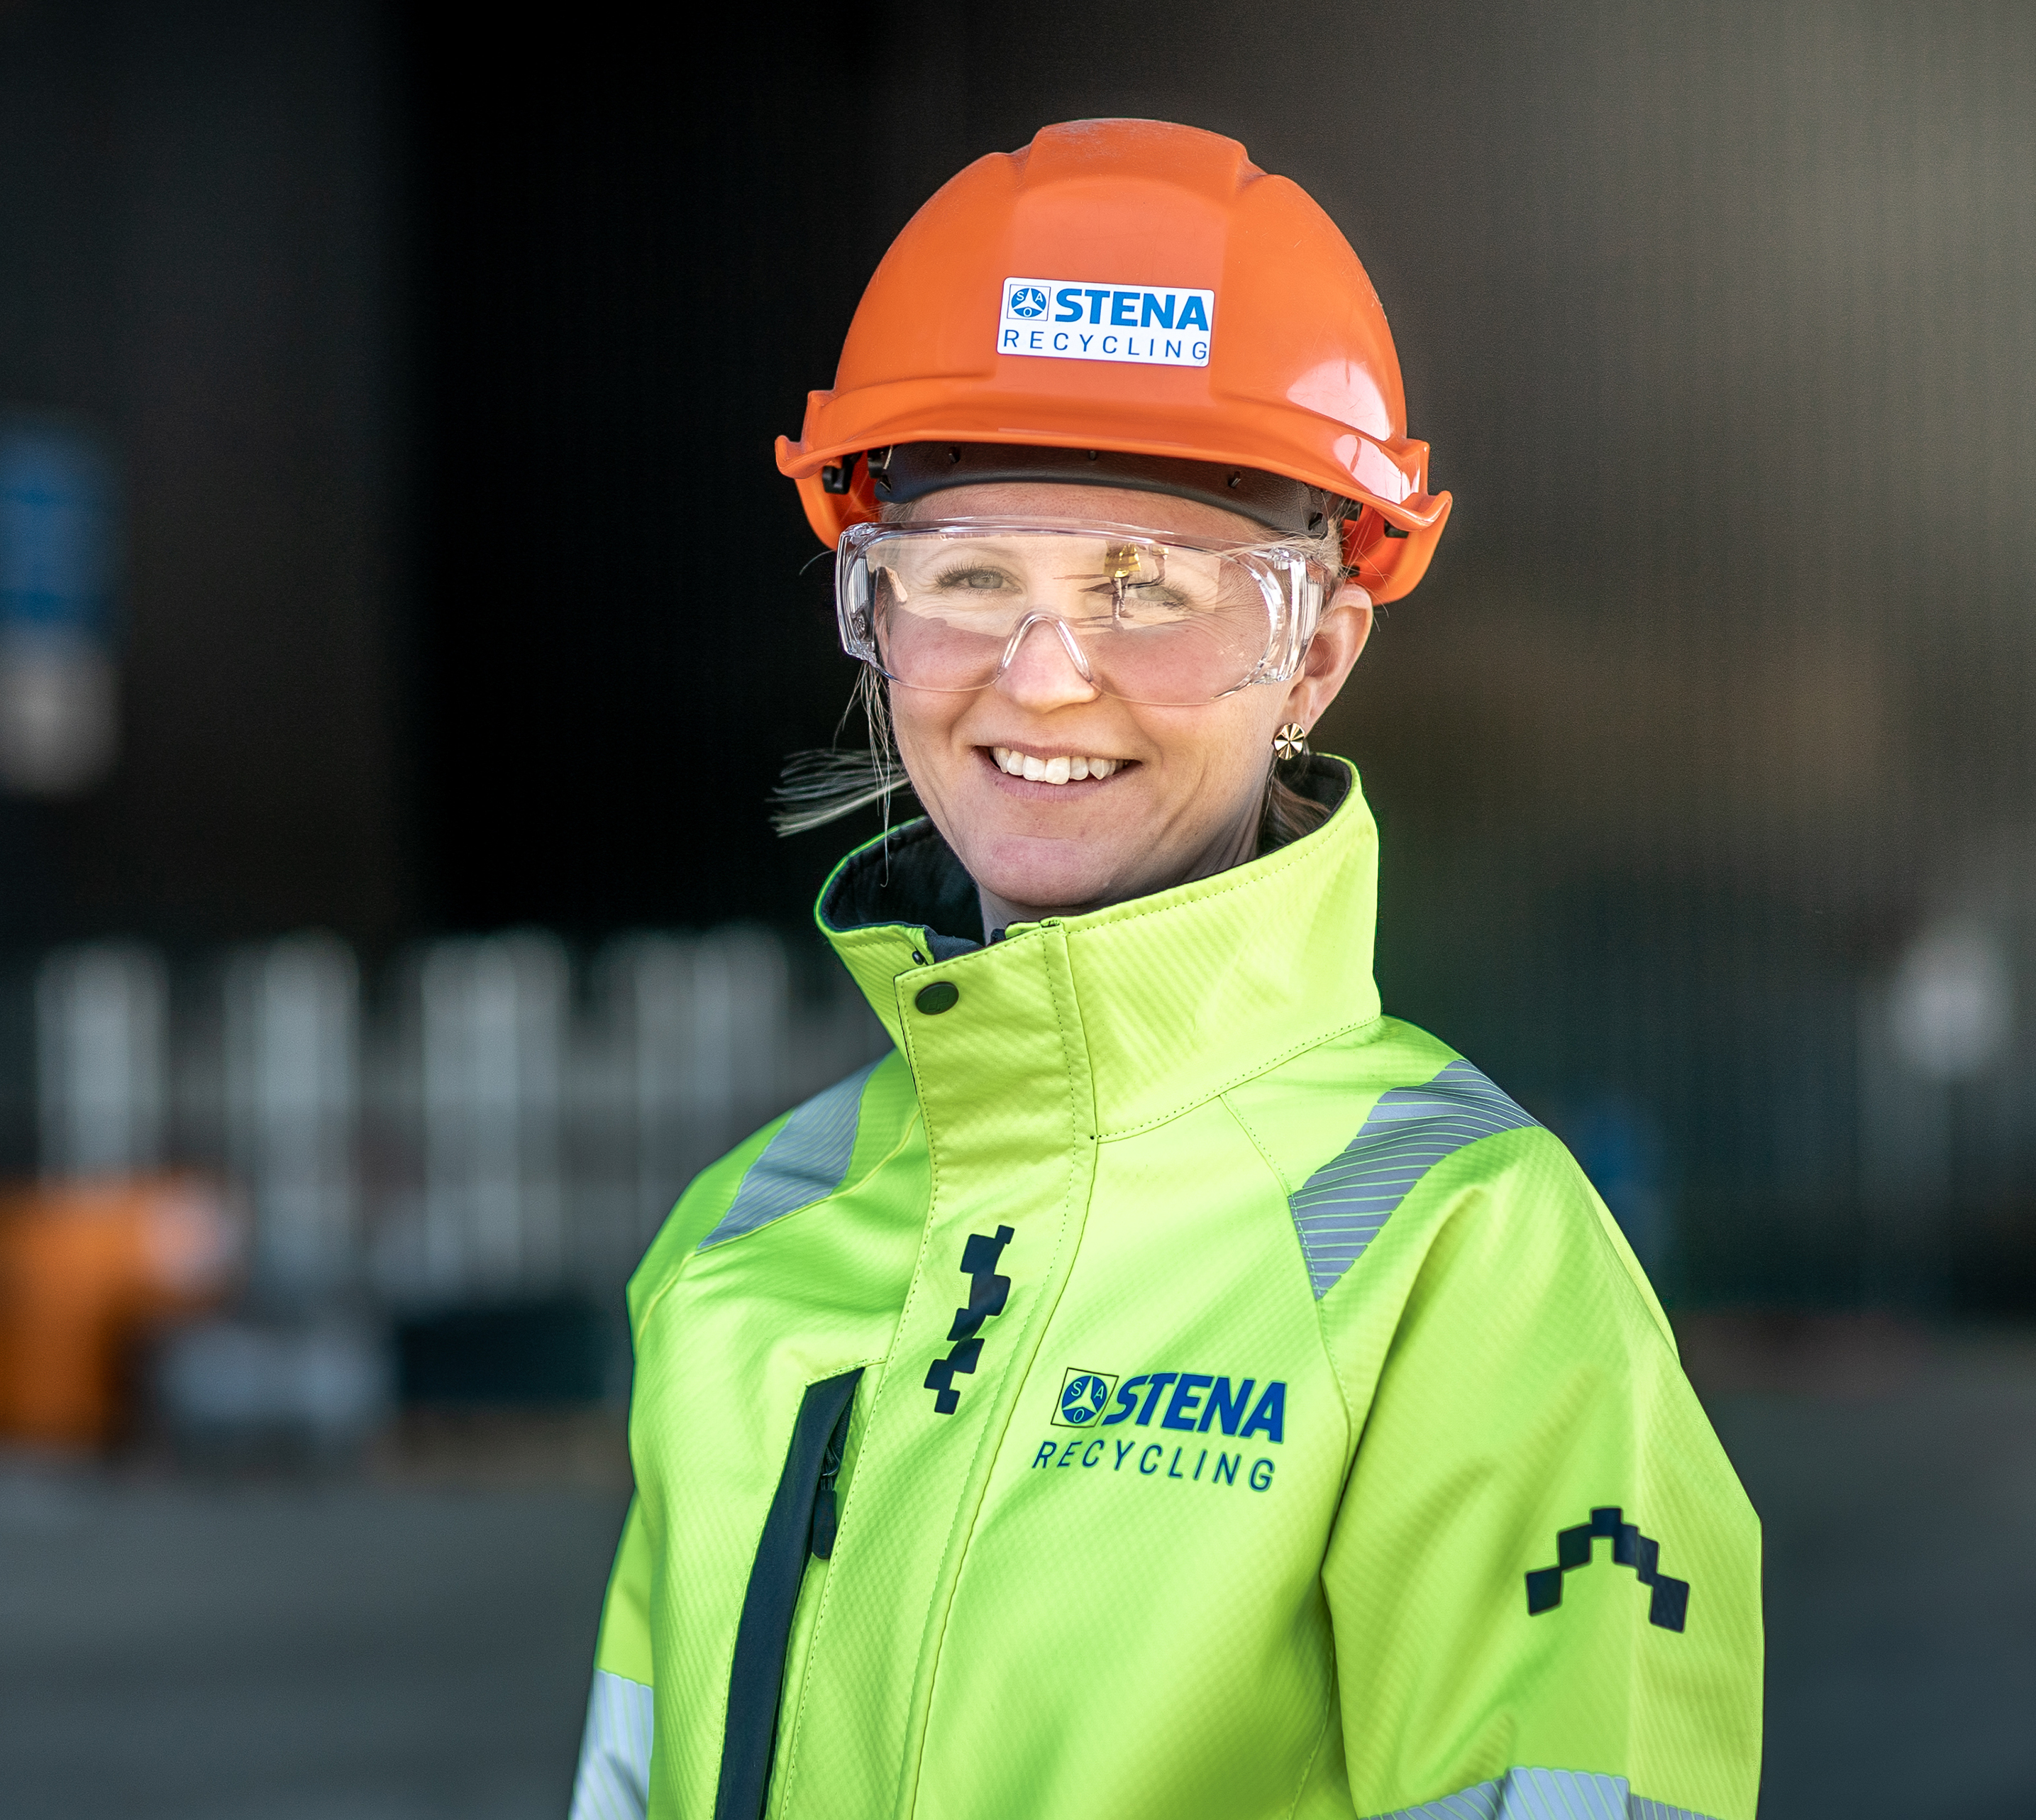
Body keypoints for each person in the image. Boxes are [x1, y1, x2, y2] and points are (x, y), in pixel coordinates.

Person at [567, 121, 1762, 1820]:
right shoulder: (747, 1235)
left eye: (1151, 589)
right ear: (872, 610)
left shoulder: (1458, 1257)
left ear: (1318, 652)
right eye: (968, 579)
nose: (1042, 680)